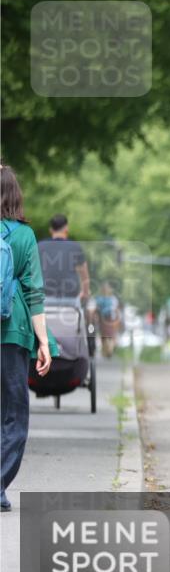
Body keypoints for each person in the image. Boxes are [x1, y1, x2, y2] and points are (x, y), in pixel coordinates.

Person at [1, 163, 52, 513]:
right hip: (13, 332)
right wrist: (44, 341)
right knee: (14, 413)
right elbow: (34, 291)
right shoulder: (23, 236)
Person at [38, 213, 90, 301]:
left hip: (45, 297)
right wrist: (85, 292)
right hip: (70, 297)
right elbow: (84, 275)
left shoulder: (39, 246)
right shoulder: (75, 247)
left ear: (51, 230)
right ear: (66, 228)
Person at [92, 280, 121, 359]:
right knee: (104, 337)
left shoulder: (113, 299)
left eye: (107, 288)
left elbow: (117, 310)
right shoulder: (99, 299)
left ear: (110, 289)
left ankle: (109, 351)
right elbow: (96, 310)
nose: (105, 289)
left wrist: (117, 319)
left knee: (111, 336)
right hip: (102, 320)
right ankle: (106, 351)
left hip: (111, 319)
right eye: (104, 288)